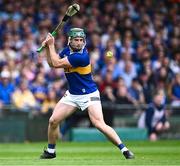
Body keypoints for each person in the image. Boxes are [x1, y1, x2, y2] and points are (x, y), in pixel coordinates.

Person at [39, 28, 134, 159]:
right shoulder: (66, 51)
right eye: (76, 40)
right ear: (70, 40)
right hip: (72, 95)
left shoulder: (81, 56)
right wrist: (47, 48)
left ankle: (124, 150)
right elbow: (51, 63)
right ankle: (50, 152)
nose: (79, 43)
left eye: (81, 40)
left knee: (99, 124)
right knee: (53, 121)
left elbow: (56, 63)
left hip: (89, 94)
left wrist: (50, 45)